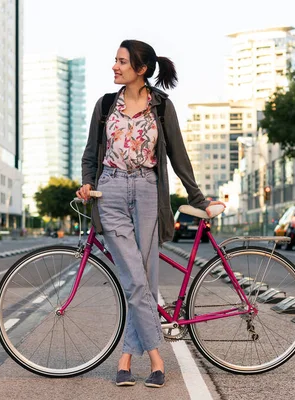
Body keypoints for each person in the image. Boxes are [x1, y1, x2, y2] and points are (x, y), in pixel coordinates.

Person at [77, 39, 225, 388]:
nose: (115, 67)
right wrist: (87, 183)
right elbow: (89, 155)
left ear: (140, 70)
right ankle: (158, 359)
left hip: (147, 191)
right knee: (135, 277)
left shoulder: (160, 106)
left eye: (122, 62)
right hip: (110, 191)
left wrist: (197, 197)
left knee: (142, 278)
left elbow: (178, 154)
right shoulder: (104, 106)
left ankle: (126, 360)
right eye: (115, 60)